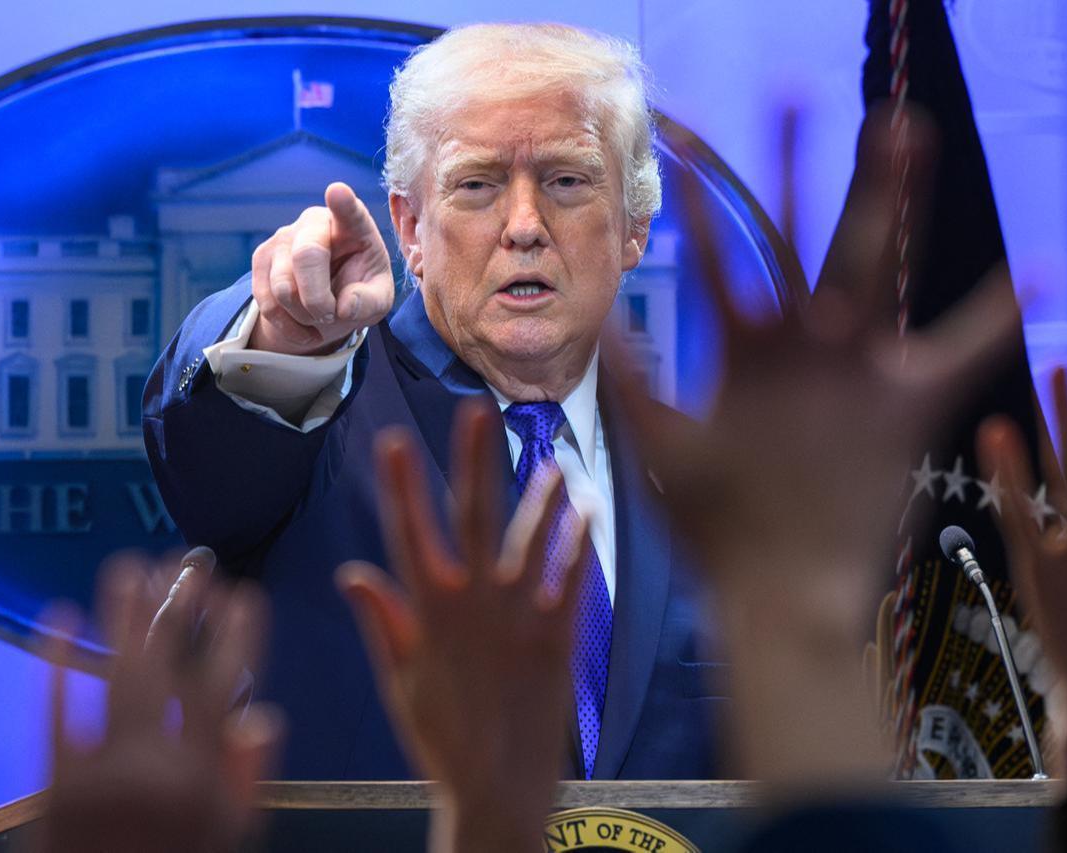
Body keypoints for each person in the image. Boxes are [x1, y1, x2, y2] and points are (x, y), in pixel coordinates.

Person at [142, 22, 720, 780]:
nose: (524, 227)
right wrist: (281, 332)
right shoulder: (320, 420)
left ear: (634, 227)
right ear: (410, 227)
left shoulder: (711, 486)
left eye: (567, 181)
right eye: (477, 184)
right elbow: (208, 448)